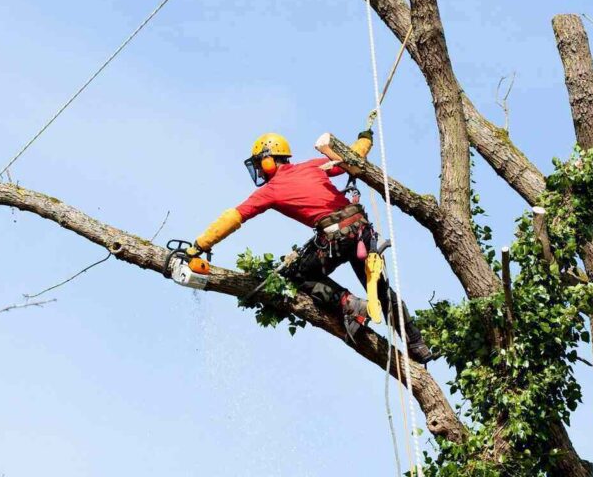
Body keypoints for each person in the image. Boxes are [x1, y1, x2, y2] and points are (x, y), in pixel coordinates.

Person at [185, 130, 435, 363]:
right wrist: (365, 139)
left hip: (336, 237)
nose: (260, 172)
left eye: (260, 164)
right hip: (360, 231)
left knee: (297, 275)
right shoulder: (313, 166)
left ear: (269, 160)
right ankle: (417, 344)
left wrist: (199, 245)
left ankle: (350, 304)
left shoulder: (271, 190)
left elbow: (234, 217)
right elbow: (353, 155)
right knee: (380, 290)